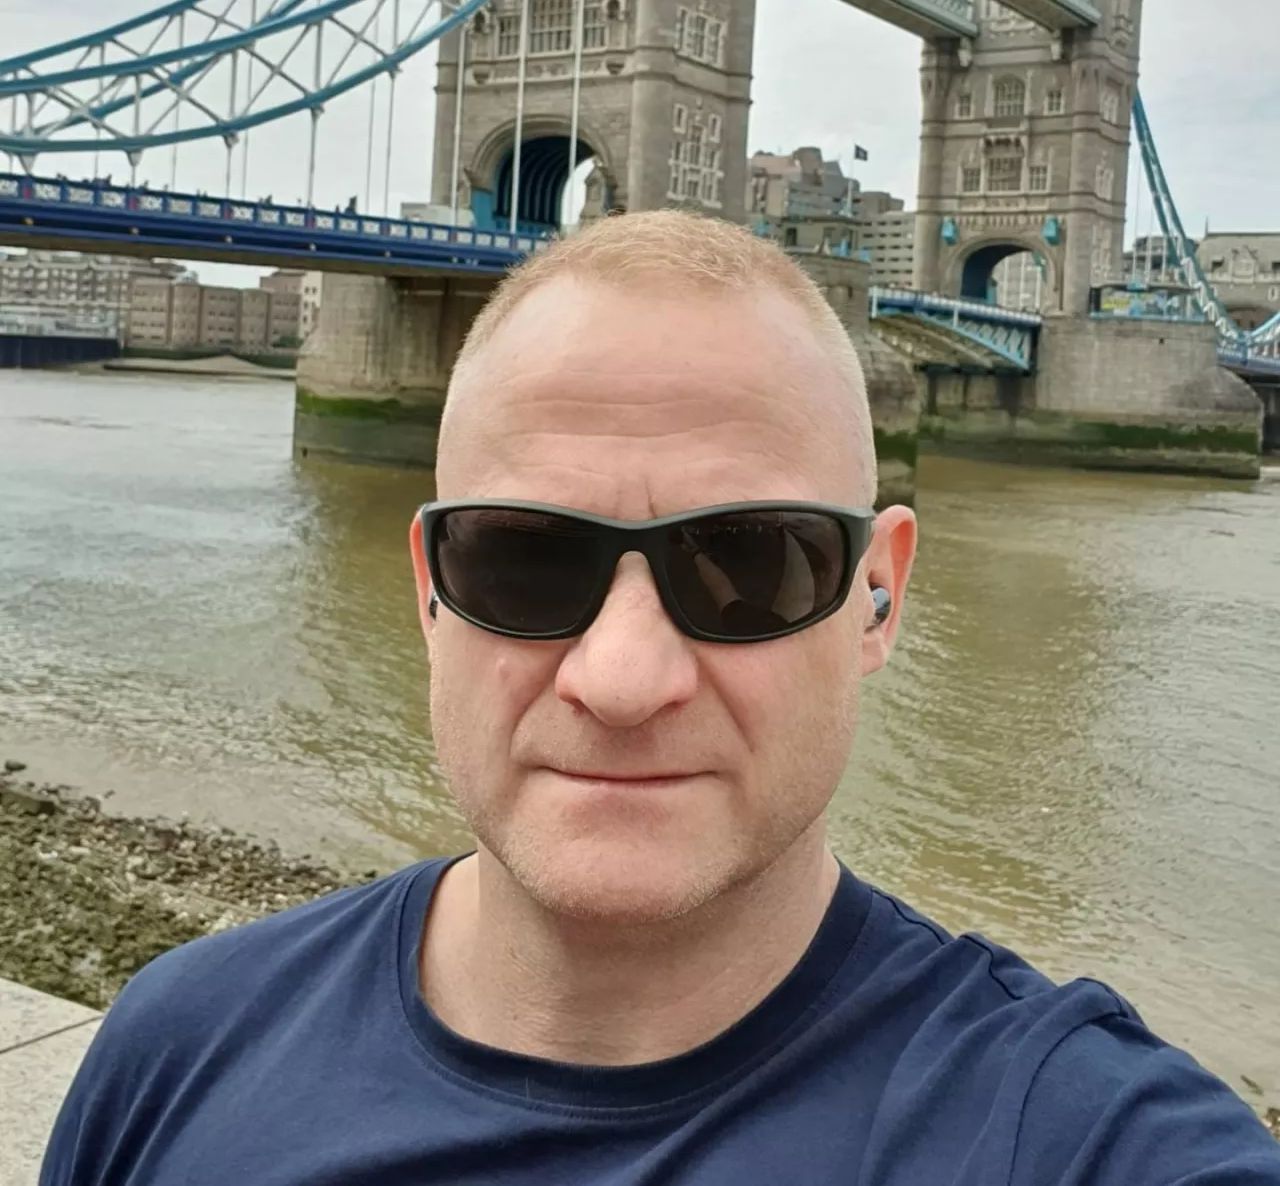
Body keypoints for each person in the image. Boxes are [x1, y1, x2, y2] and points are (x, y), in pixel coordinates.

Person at [42, 212, 1279, 1184]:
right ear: (429, 591)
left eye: (751, 563)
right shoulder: (175, 1045)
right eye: (521, 559)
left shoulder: (1082, 1139)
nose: (622, 679)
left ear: (877, 599)